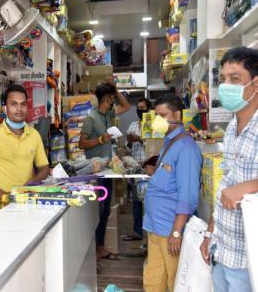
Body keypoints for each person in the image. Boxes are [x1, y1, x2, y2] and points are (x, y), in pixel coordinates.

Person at [200, 47, 258, 292]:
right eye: (223, 79)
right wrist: (210, 232)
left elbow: (240, 187)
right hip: (223, 250)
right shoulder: (232, 126)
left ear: (255, 84)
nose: (226, 86)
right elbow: (227, 184)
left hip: (249, 258)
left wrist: (251, 186)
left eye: (235, 79)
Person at [143, 94, 202, 292]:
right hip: (155, 227)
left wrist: (176, 232)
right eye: (156, 115)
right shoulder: (170, 142)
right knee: (153, 281)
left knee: (175, 282)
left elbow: (188, 196)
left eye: (163, 115)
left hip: (170, 231)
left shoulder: (186, 147)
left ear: (177, 114)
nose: (158, 120)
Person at [0, 84, 49, 215]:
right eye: (14, 104)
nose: (19, 109)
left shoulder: (34, 135)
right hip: (0, 210)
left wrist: (28, 186)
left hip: (27, 207)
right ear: (5, 107)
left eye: (23, 104)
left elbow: (44, 168)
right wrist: (5, 197)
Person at [79, 82, 131, 259]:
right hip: (95, 173)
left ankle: (99, 247)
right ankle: (93, 248)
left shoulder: (108, 113)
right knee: (98, 211)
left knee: (106, 210)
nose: (114, 99)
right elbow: (82, 143)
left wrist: (115, 90)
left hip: (107, 170)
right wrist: (101, 139)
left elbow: (126, 106)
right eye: (112, 97)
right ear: (106, 98)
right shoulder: (91, 118)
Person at [122, 98, 151, 242]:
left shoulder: (152, 125)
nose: (140, 110)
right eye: (138, 108)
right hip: (135, 168)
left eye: (143, 108)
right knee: (136, 201)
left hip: (150, 169)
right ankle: (137, 231)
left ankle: (151, 234)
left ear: (148, 108)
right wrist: (129, 141)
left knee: (150, 201)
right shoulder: (132, 125)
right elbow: (127, 148)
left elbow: (154, 145)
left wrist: (140, 139)